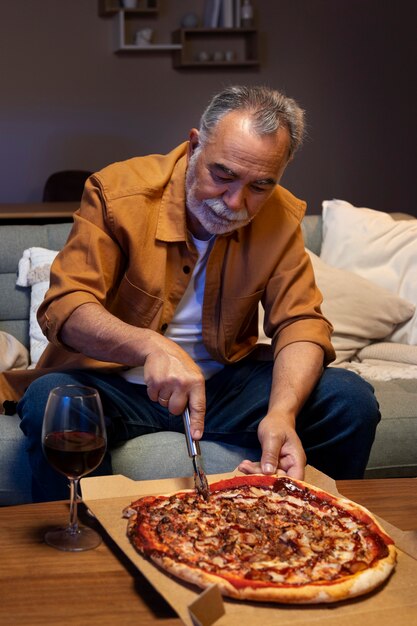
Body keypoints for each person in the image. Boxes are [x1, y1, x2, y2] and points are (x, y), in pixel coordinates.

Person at [16, 85, 380, 501]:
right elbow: (65, 305)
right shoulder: (118, 193)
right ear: (194, 146)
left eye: (259, 185)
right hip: (113, 384)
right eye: (222, 175)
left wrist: (282, 413)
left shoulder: (279, 215)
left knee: (349, 399)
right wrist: (151, 347)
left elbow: (301, 322)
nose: (235, 201)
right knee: (49, 399)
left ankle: (309, 531)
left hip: (222, 387)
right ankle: (90, 542)